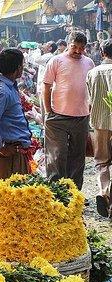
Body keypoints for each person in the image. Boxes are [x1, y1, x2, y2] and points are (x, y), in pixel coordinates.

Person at [43, 31, 94, 190]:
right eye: (74, 47)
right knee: (57, 155)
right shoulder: (56, 61)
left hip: (81, 117)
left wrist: (90, 108)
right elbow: (46, 86)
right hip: (57, 117)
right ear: (68, 45)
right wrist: (48, 110)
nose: (78, 51)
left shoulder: (89, 63)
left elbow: (91, 88)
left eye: (81, 48)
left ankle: (74, 192)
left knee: (78, 156)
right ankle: (56, 191)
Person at [0, 48, 32, 179]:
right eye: (22, 65)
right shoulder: (2, 90)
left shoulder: (7, 85)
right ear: (18, 68)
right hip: (10, 156)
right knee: (13, 196)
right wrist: (0, 148)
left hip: (15, 153)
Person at [87, 39, 112, 217]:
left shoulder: (92, 73)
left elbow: (88, 100)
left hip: (99, 123)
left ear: (103, 53)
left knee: (102, 162)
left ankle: (104, 192)